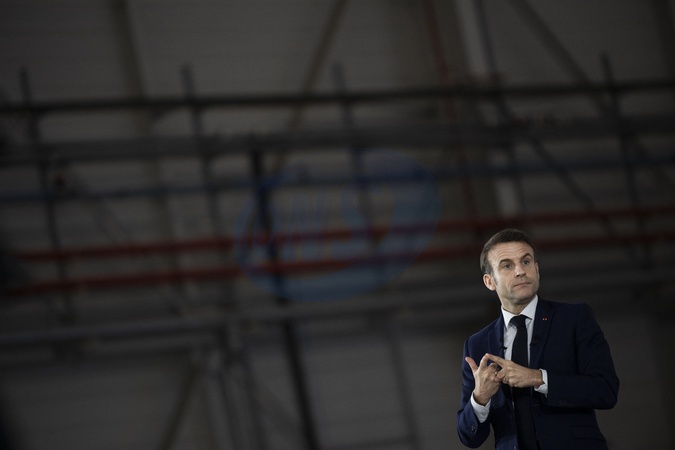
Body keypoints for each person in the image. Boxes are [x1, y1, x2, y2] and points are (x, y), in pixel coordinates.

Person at [456, 229, 619, 450]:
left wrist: (538, 378)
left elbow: (606, 390)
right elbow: (468, 436)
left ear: (537, 269)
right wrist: (480, 397)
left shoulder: (574, 318)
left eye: (526, 261)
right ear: (489, 281)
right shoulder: (477, 344)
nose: (520, 271)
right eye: (507, 266)